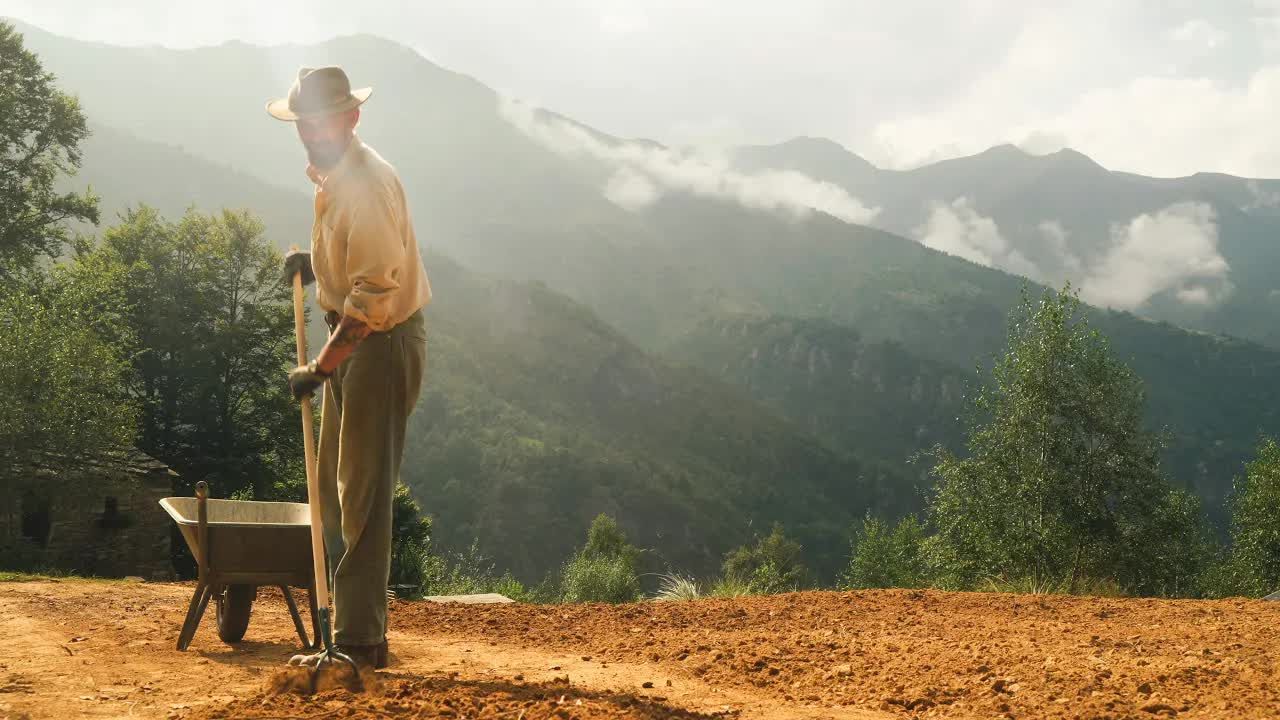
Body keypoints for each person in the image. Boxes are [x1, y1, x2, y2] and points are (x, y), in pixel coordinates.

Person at [267, 65, 431, 671]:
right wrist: (315, 262)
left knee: (362, 495)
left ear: (352, 117)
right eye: (304, 122)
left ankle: (361, 640)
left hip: (377, 346)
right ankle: (349, 626)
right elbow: (354, 257)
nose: (311, 132)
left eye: (322, 120)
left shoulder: (364, 182)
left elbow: (372, 297)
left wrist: (320, 366)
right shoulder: (336, 175)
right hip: (354, 341)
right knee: (337, 492)